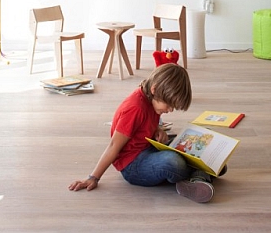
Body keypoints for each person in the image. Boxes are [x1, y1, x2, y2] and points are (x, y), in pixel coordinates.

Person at [68, 63, 217, 202]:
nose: (170, 110)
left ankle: (201, 174)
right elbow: (113, 145)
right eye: (169, 105)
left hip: (149, 148)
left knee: (204, 136)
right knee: (171, 161)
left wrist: (157, 130)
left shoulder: (152, 98)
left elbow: (146, 123)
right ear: (154, 90)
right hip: (133, 166)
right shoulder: (135, 108)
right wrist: (93, 177)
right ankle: (202, 173)